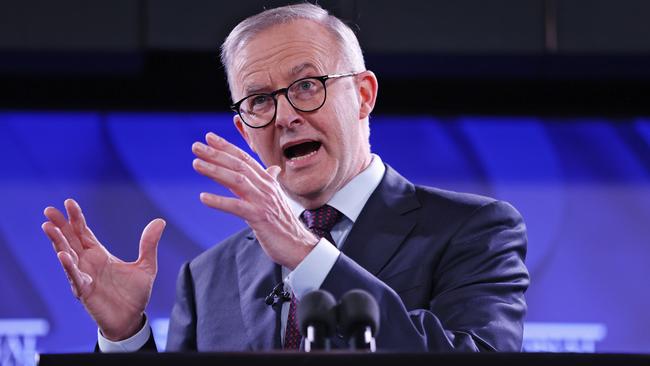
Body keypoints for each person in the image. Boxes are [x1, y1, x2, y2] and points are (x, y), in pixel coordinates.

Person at [41, 3, 529, 352]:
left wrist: (308, 255)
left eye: (307, 85)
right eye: (259, 100)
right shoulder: (206, 277)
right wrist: (126, 336)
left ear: (363, 94)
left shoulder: (476, 229)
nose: (284, 115)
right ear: (243, 129)